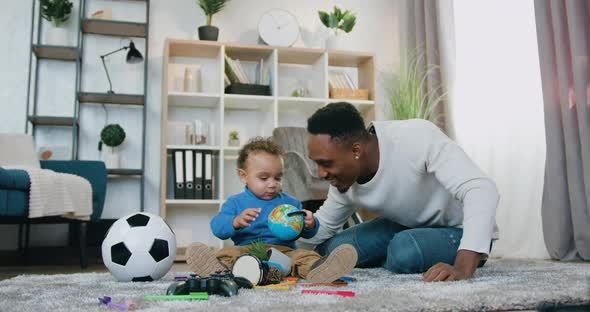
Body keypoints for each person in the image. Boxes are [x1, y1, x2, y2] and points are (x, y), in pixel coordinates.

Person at [298, 102, 499, 282]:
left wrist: (463, 267)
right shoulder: (343, 180)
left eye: (326, 163)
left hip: (459, 229)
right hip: (406, 227)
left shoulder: (415, 136)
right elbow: (322, 227)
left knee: (403, 251)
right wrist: (295, 231)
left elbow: (481, 189)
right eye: (317, 163)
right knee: (334, 249)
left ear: (356, 151)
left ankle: (403, 253)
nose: (320, 173)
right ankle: (398, 252)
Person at [185, 137, 357, 283]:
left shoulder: (291, 203)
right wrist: (235, 221)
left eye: (278, 177)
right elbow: (217, 227)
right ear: (243, 176)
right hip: (246, 251)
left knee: (304, 256)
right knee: (226, 253)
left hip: (283, 252)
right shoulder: (235, 202)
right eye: (264, 178)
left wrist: (310, 224)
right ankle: (217, 271)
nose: (272, 184)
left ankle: (320, 270)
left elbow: (306, 234)